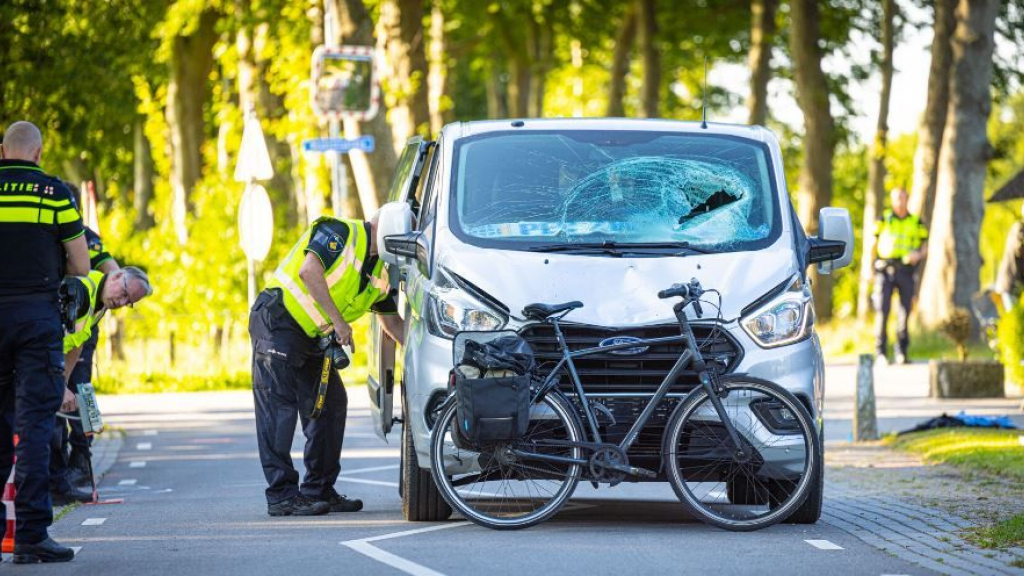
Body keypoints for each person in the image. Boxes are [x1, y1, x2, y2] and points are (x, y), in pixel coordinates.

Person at [250, 213, 403, 517]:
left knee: (331, 405)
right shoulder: (339, 232)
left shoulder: (381, 271)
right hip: (277, 320)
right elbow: (309, 272)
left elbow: (393, 323)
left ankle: (318, 489)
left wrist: (424, 352)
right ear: (387, 230)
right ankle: (282, 495)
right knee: (278, 410)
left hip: (311, 336)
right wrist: (339, 323)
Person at [0, 120, 90, 564]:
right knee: (34, 425)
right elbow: (80, 264)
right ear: (38, 154)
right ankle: (32, 536)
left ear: (2, 151)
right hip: (36, 319)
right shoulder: (55, 194)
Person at [52, 267, 151, 506]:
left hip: (50, 371)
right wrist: (57, 384)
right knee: (48, 430)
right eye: (125, 293)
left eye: (129, 302)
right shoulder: (80, 291)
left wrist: (63, 382)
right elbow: (49, 340)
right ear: (116, 276)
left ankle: (57, 488)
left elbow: (76, 345)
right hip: (36, 366)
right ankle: (50, 490)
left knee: (55, 427)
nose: (122, 301)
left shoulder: (100, 304)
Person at [50, 183, 120, 503]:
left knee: (80, 389)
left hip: (81, 322)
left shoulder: (86, 236)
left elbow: (111, 268)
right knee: (63, 390)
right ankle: (61, 462)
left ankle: (81, 456)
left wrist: (105, 300)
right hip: (60, 320)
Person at [872, 187, 929, 365]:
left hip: (906, 270)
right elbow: (872, 244)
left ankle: (901, 351)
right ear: (892, 200)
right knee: (883, 311)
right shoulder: (883, 219)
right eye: (896, 199)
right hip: (885, 269)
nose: (899, 202)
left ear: (907, 199)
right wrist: (869, 267)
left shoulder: (916, 221)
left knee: (905, 312)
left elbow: (925, 246)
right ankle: (881, 352)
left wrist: (917, 255)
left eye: (902, 198)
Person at [994, 201, 1024, 312]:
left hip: (1015, 283)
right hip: (1010, 282)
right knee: (1015, 314)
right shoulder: (1019, 228)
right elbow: (1018, 249)